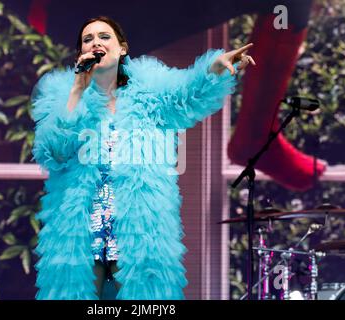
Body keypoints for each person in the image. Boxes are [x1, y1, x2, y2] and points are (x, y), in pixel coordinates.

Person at [32, 16, 255, 300]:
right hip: (79, 228)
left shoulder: (150, 89)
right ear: (81, 54)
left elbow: (186, 93)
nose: (96, 42)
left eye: (104, 36)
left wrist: (213, 68)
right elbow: (53, 151)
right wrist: (77, 89)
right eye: (88, 40)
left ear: (122, 48)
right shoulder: (62, 96)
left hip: (140, 226)